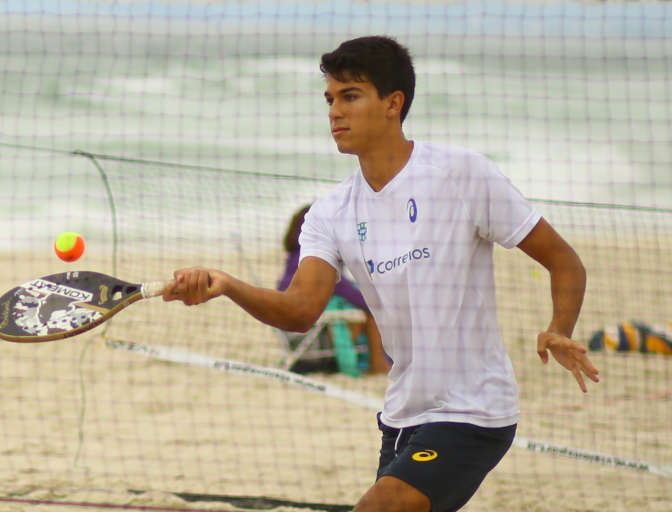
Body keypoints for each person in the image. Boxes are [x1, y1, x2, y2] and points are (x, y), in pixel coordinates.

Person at [162, 36, 599, 512]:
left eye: (350, 95)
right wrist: (226, 284)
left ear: (394, 103)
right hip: (401, 415)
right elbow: (300, 311)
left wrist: (559, 329)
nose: (334, 111)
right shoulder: (329, 213)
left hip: (473, 411)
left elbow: (564, 261)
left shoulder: (461, 173)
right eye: (329, 98)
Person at [278, 204, 390, 375]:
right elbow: (349, 292)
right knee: (371, 310)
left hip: (294, 332)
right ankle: (378, 364)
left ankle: (381, 360)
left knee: (362, 305)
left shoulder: (296, 256)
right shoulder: (316, 259)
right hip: (309, 335)